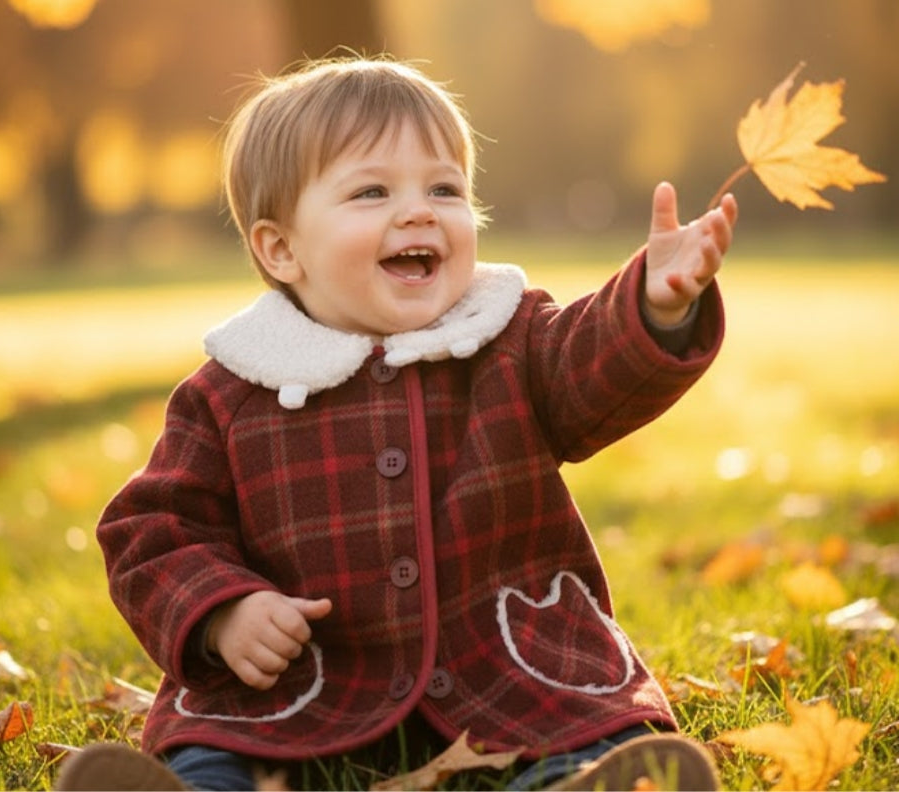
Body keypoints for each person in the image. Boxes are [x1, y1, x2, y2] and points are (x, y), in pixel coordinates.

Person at [56, 56, 738, 792]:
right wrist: (223, 612)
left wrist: (653, 307)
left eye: (445, 189)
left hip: (507, 665)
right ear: (281, 248)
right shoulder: (232, 390)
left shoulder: (508, 340)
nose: (419, 211)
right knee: (222, 755)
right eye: (372, 191)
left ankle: (590, 784)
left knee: (588, 730)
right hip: (309, 681)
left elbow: (592, 367)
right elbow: (152, 529)